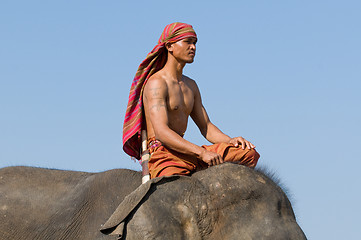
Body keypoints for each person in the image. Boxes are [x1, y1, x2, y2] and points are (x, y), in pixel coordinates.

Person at [123, 22, 260, 179]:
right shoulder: (157, 83)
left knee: (249, 154)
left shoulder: (191, 85)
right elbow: (161, 132)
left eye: (195, 43)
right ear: (169, 46)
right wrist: (202, 152)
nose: (193, 47)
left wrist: (231, 140)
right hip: (164, 154)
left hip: (188, 153)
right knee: (174, 191)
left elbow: (206, 127)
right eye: (187, 42)